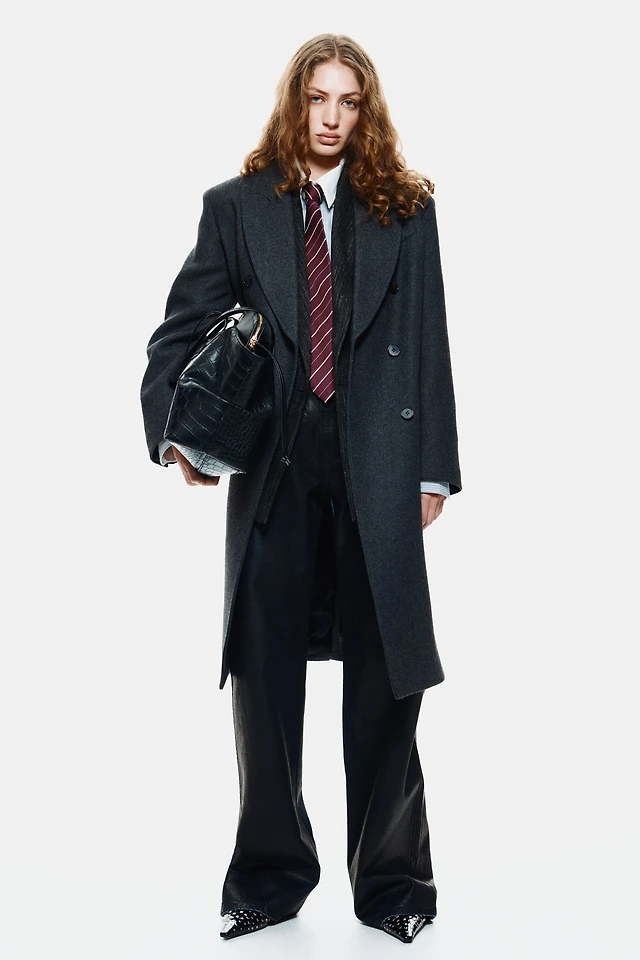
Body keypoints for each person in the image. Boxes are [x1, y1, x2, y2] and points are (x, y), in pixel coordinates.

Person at [140, 33, 462, 945]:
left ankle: (394, 886)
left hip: (379, 462)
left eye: (348, 101)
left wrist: (434, 467)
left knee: (388, 679)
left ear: (367, 111)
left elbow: (430, 341)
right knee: (265, 679)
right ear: (295, 102)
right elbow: (177, 334)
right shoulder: (236, 206)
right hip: (274, 461)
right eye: (318, 98)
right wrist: (178, 436)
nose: (331, 118)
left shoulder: (406, 210)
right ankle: (269, 881)